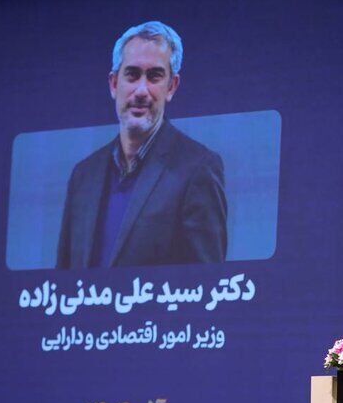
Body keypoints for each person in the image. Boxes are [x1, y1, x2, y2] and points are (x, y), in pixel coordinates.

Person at [57, 21, 227, 268]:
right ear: (114, 84)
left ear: (171, 87)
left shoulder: (198, 169)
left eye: (154, 76)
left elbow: (205, 282)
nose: (141, 90)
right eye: (132, 74)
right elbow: (62, 281)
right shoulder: (83, 175)